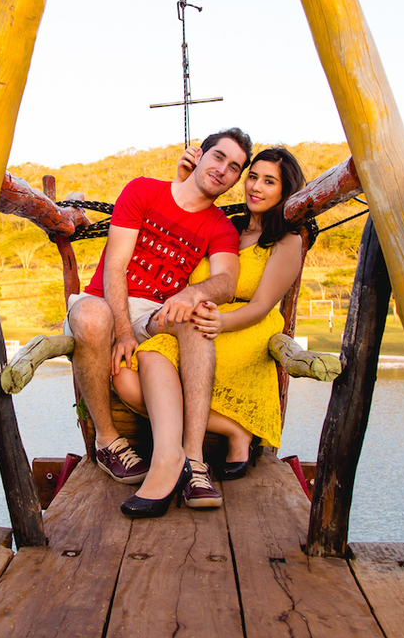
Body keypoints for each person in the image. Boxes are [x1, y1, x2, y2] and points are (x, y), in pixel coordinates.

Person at [62, 128, 253, 510]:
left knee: (199, 313)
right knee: (91, 316)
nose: (223, 170)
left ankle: (193, 461)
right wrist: (122, 333)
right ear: (199, 155)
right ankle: (107, 441)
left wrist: (193, 293)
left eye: (234, 168)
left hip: (153, 312)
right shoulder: (144, 191)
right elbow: (115, 267)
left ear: (235, 180)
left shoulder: (219, 226)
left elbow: (227, 282)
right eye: (218, 157)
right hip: (104, 303)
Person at [114, 146, 307, 514]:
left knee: (161, 353)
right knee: (129, 375)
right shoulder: (227, 226)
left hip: (245, 329)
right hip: (201, 321)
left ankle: (186, 460)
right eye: (252, 177)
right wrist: (182, 180)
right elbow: (178, 223)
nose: (256, 187)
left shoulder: (287, 241)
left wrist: (221, 321)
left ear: (285, 191)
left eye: (269, 182)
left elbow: (261, 306)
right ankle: (232, 430)